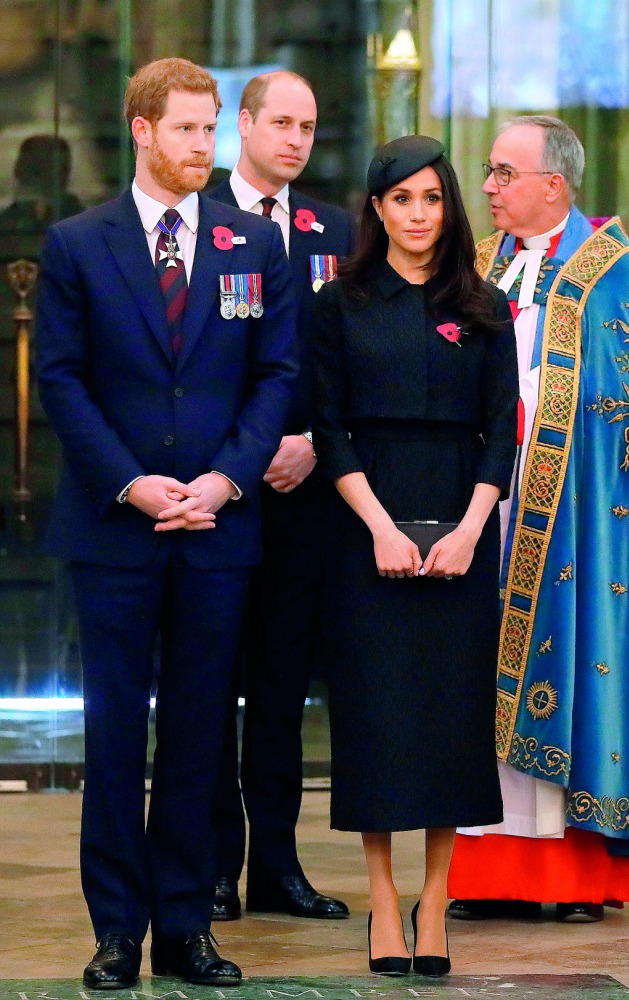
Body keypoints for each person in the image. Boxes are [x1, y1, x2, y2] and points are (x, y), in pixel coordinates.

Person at [35, 58, 297, 988]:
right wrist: (133, 484)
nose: (205, 146)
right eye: (187, 129)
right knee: (113, 736)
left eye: (211, 127)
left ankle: (187, 925)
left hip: (219, 531)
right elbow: (58, 379)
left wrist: (226, 480)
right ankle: (117, 931)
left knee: (196, 733)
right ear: (142, 130)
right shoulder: (78, 243)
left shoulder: (251, 243)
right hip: (115, 533)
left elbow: (275, 374)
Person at [447, 115, 629, 924]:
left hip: (576, 517)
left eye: (503, 173)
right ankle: (484, 869)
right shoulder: (488, 262)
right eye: (491, 173)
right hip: (490, 507)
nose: (489, 187)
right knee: (478, 676)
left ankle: (572, 874)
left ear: (553, 186)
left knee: (579, 661)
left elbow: (624, 410)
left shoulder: (611, 271)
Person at [310, 135, 519, 976]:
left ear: (450, 206)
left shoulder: (485, 303)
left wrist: (470, 532)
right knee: (376, 713)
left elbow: (501, 428)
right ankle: (385, 900)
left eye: (432, 200)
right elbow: (328, 429)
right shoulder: (339, 302)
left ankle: (437, 899)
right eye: (402, 200)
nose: (419, 215)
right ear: (377, 209)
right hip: (368, 522)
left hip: (463, 518)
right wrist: (381, 529)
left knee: (447, 715)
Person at [208, 69, 356, 921]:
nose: (296, 139)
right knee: (213, 686)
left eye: (309, 124)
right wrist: (245, 454)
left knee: (280, 691)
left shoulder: (334, 229)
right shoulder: (206, 223)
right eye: (282, 122)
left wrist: (312, 445)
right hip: (223, 492)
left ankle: (279, 866)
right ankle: (216, 866)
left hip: (305, 493)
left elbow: (343, 362)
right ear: (245, 125)